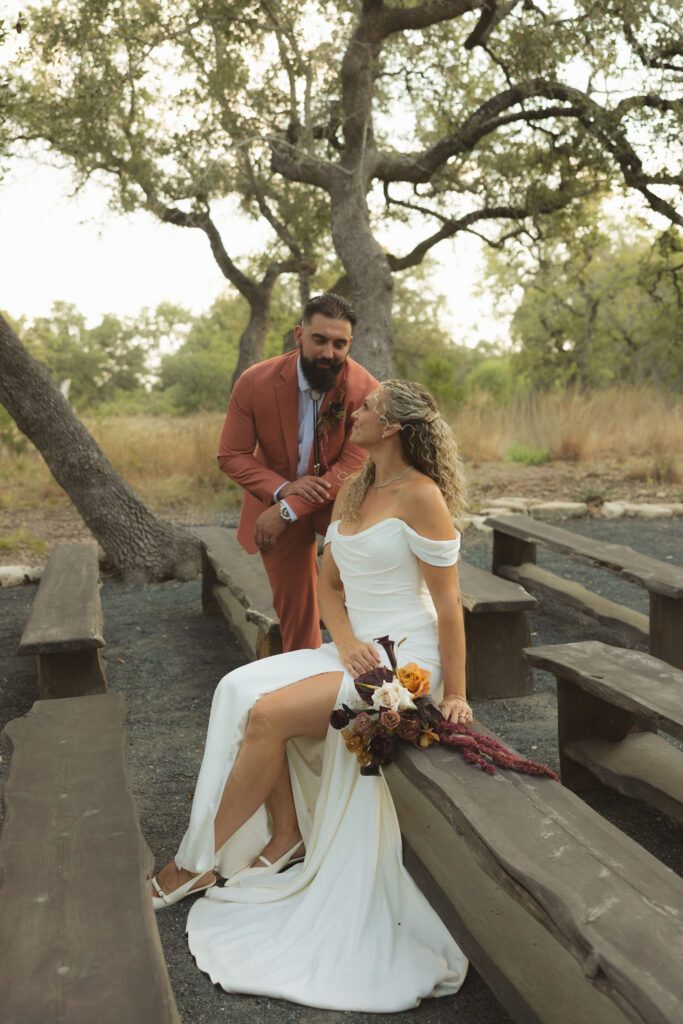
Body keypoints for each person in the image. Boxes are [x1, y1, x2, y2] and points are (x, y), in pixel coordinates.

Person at [151, 380, 473, 1012]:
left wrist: (456, 693)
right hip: (354, 647)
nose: (356, 411)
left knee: (268, 714)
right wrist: (347, 639)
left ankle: (199, 859)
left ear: (395, 428)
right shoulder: (357, 488)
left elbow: (449, 606)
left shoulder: (423, 497)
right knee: (239, 687)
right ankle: (286, 836)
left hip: (406, 660)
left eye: (370, 410)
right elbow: (328, 586)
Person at [217, 291, 377, 653]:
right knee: (298, 616)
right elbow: (231, 455)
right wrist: (283, 490)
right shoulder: (254, 382)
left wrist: (288, 509)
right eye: (319, 340)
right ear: (299, 335)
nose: (328, 353)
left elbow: (353, 465)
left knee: (367, 592)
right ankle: (303, 690)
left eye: (339, 344)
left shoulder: (365, 390)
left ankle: (373, 684)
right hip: (276, 502)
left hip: (338, 502)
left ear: (349, 344)